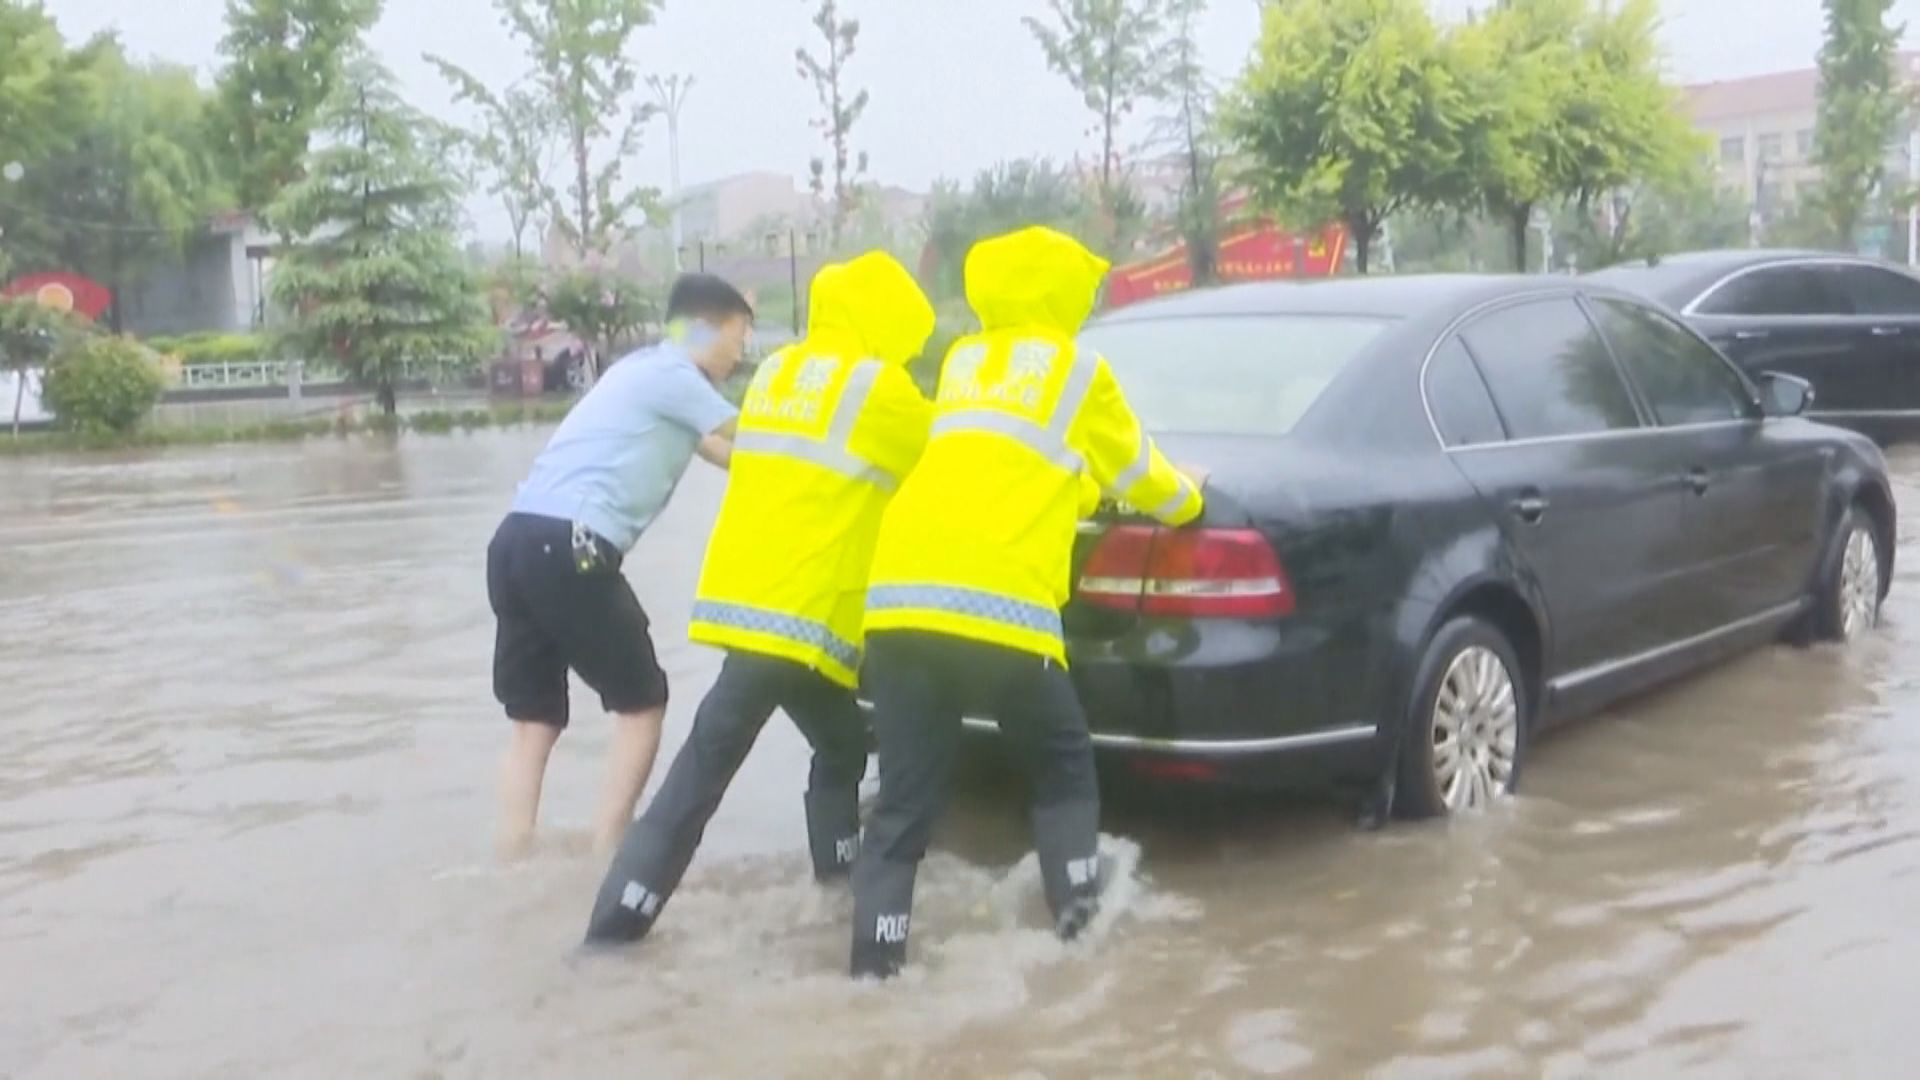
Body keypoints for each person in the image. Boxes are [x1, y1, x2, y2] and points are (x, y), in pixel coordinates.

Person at [849, 226, 1205, 979]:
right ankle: (1077, 931)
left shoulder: (964, 360)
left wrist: (1079, 490)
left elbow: (999, 463)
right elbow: (1140, 473)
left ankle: (873, 970)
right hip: (999, 606)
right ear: (1061, 291)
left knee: (904, 803)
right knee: (1062, 763)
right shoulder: (1078, 369)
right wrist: (1190, 498)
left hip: (898, 601)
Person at [582, 252, 936, 944]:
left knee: (836, 744)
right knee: (707, 771)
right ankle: (612, 934)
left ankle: (832, 884)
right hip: (804, 615)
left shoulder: (779, 372)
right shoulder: (877, 386)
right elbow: (945, 456)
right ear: (887, 319)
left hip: (749, 606)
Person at [486, 274, 754, 860]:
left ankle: (512, 857)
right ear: (702, 329)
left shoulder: (641, 372)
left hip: (516, 541)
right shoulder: (678, 378)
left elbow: (727, 454)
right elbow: (755, 435)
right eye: (738, 337)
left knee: (534, 720)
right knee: (643, 701)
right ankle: (610, 855)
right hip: (571, 541)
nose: (740, 353)